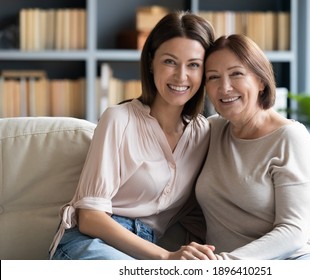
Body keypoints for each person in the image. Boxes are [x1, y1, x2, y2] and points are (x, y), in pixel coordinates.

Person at [49, 11, 217, 260]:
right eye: (170, 61)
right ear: (151, 62)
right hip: (90, 243)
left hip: (143, 251)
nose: (181, 76)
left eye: (193, 65)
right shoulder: (118, 119)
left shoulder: (202, 134)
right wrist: (166, 258)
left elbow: (200, 211)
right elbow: (90, 217)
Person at [195, 34, 310, 260]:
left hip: (302, 258)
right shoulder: (210, 131)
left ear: (261, 81)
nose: (224, 87)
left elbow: (293, 231)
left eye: (236, 74)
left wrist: (227, 265)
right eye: (213, 77)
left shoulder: (290, 137)